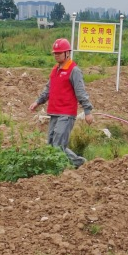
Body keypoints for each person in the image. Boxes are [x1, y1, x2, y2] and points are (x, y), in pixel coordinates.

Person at [29, 38, 94, 168]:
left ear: (67, 53)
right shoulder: (55, 69)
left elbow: (81, 92)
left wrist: (88, 111)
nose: (56, 55)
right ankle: (65, 167)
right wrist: (38, 101)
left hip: (66, 113)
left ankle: (80, 164)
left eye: (59, 53)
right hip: (54, 112)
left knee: (58, 145)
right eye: (55, 53)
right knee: (51, 145)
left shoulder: (74, 70)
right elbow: (48, 89)